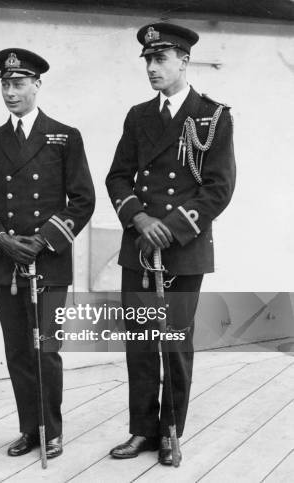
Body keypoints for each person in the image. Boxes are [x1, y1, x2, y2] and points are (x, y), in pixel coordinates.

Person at [105, 23, 236, 465]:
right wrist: (140, 218)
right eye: (148, 60)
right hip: (140, 246)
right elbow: (117, 177)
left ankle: (170, 432)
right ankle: (142, 430)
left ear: (184, 61)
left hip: (184, 246)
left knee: (175, 343)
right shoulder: (138, 116)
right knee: (141, 341)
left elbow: (219, 187)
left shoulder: (213, 116)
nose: (152, 68)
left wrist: (174, 226)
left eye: (161, 59)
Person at [0, 48, 95, 459]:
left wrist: (43, 240)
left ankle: (51, 430)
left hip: (49, 261)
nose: (11, 92)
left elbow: (82, 200)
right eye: (5, 84)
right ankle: (29, 429)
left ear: (36, 86)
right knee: (18, 351)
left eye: (19, 83)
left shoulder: (64, 136)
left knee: (46, 350)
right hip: (7, 263)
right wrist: (2, 239)